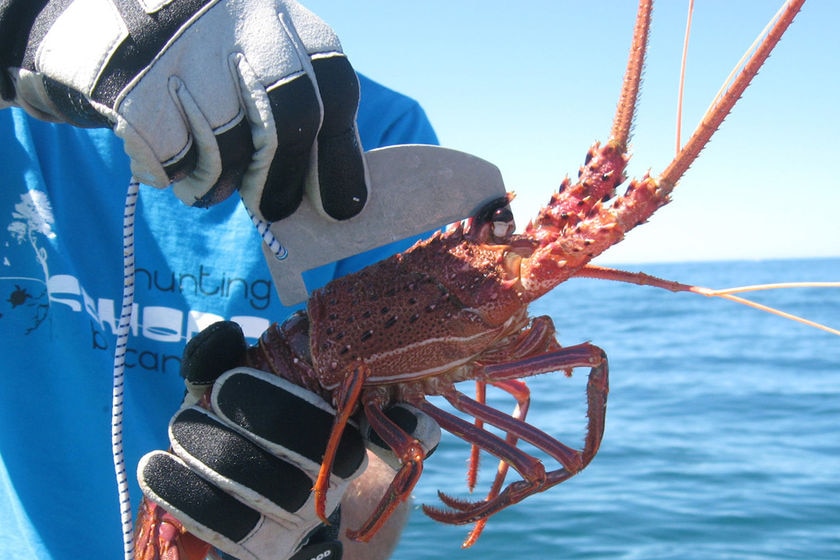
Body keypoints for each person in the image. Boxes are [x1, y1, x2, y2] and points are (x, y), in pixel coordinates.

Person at [1, 2, 440, 558]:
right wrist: (26, 23)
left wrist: (324, 539)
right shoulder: (15, 120)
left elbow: (388, 440)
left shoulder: (379, 136)